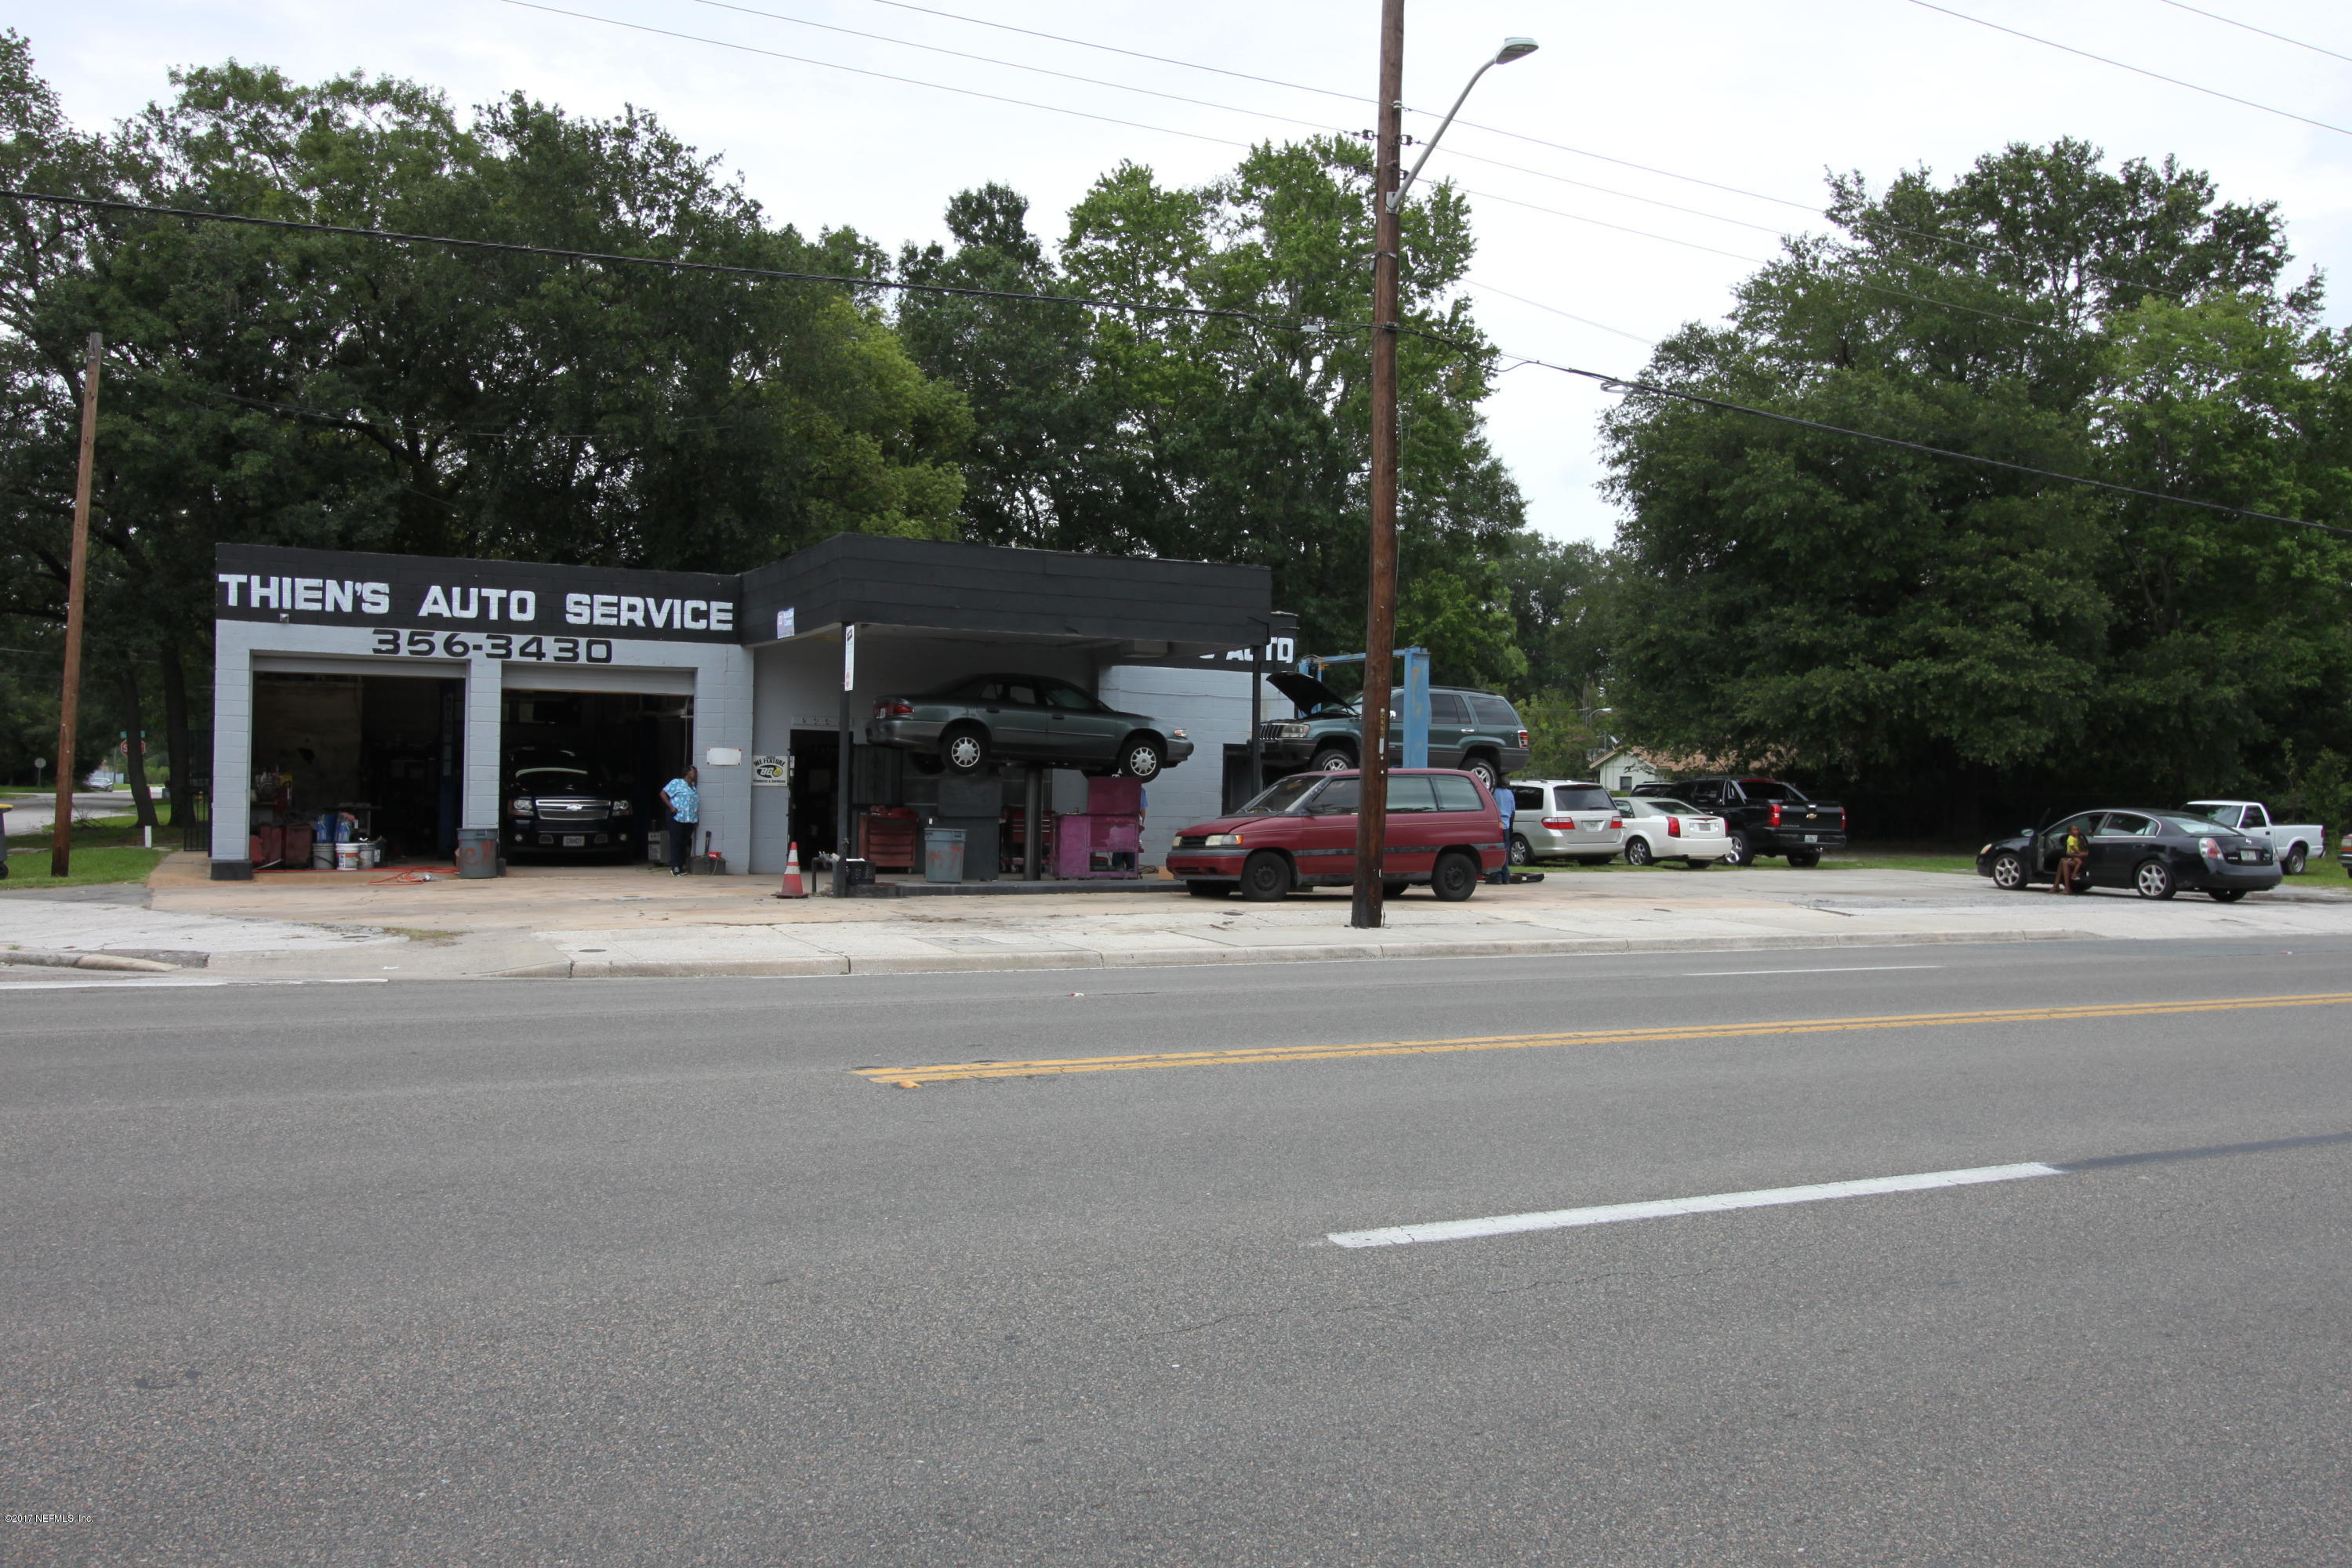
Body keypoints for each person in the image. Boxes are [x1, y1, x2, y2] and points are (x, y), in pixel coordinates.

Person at [662, 764, 700, 875]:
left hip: (689, 819)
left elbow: (695, 805)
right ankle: (675, 867)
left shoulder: (693, 788)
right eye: (694, 772)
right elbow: (663, 794)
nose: (696, 775)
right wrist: (671, 807)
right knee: (676, 841)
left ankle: (681, 865)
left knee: (684, 843)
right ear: (687, 773)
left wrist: (697, 819)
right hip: (677, 817)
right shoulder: (677, 783)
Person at [1488, 778, 1516, 884]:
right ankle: (1506, 877)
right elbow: (1513, 812)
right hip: (1507, 825)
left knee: (1497, 850)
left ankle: (1498, 876)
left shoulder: (1494, 792)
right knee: (1506, 850)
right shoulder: (1510, 794)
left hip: (1497, 825)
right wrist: (1511, 826)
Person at [2053, 819, 2089, 895]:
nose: (2077, 832)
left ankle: (2067, 887)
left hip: (2083, 861)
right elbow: (2072, 851)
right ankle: (2056, 886)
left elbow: (2085, 854)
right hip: (2078, 858)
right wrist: (2073, 854)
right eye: (2075, 830)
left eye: (2077, 830)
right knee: (2062, 860)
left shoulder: (2082, 839)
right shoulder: (2074, 838)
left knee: (2064, 862)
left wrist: (2073, 854)